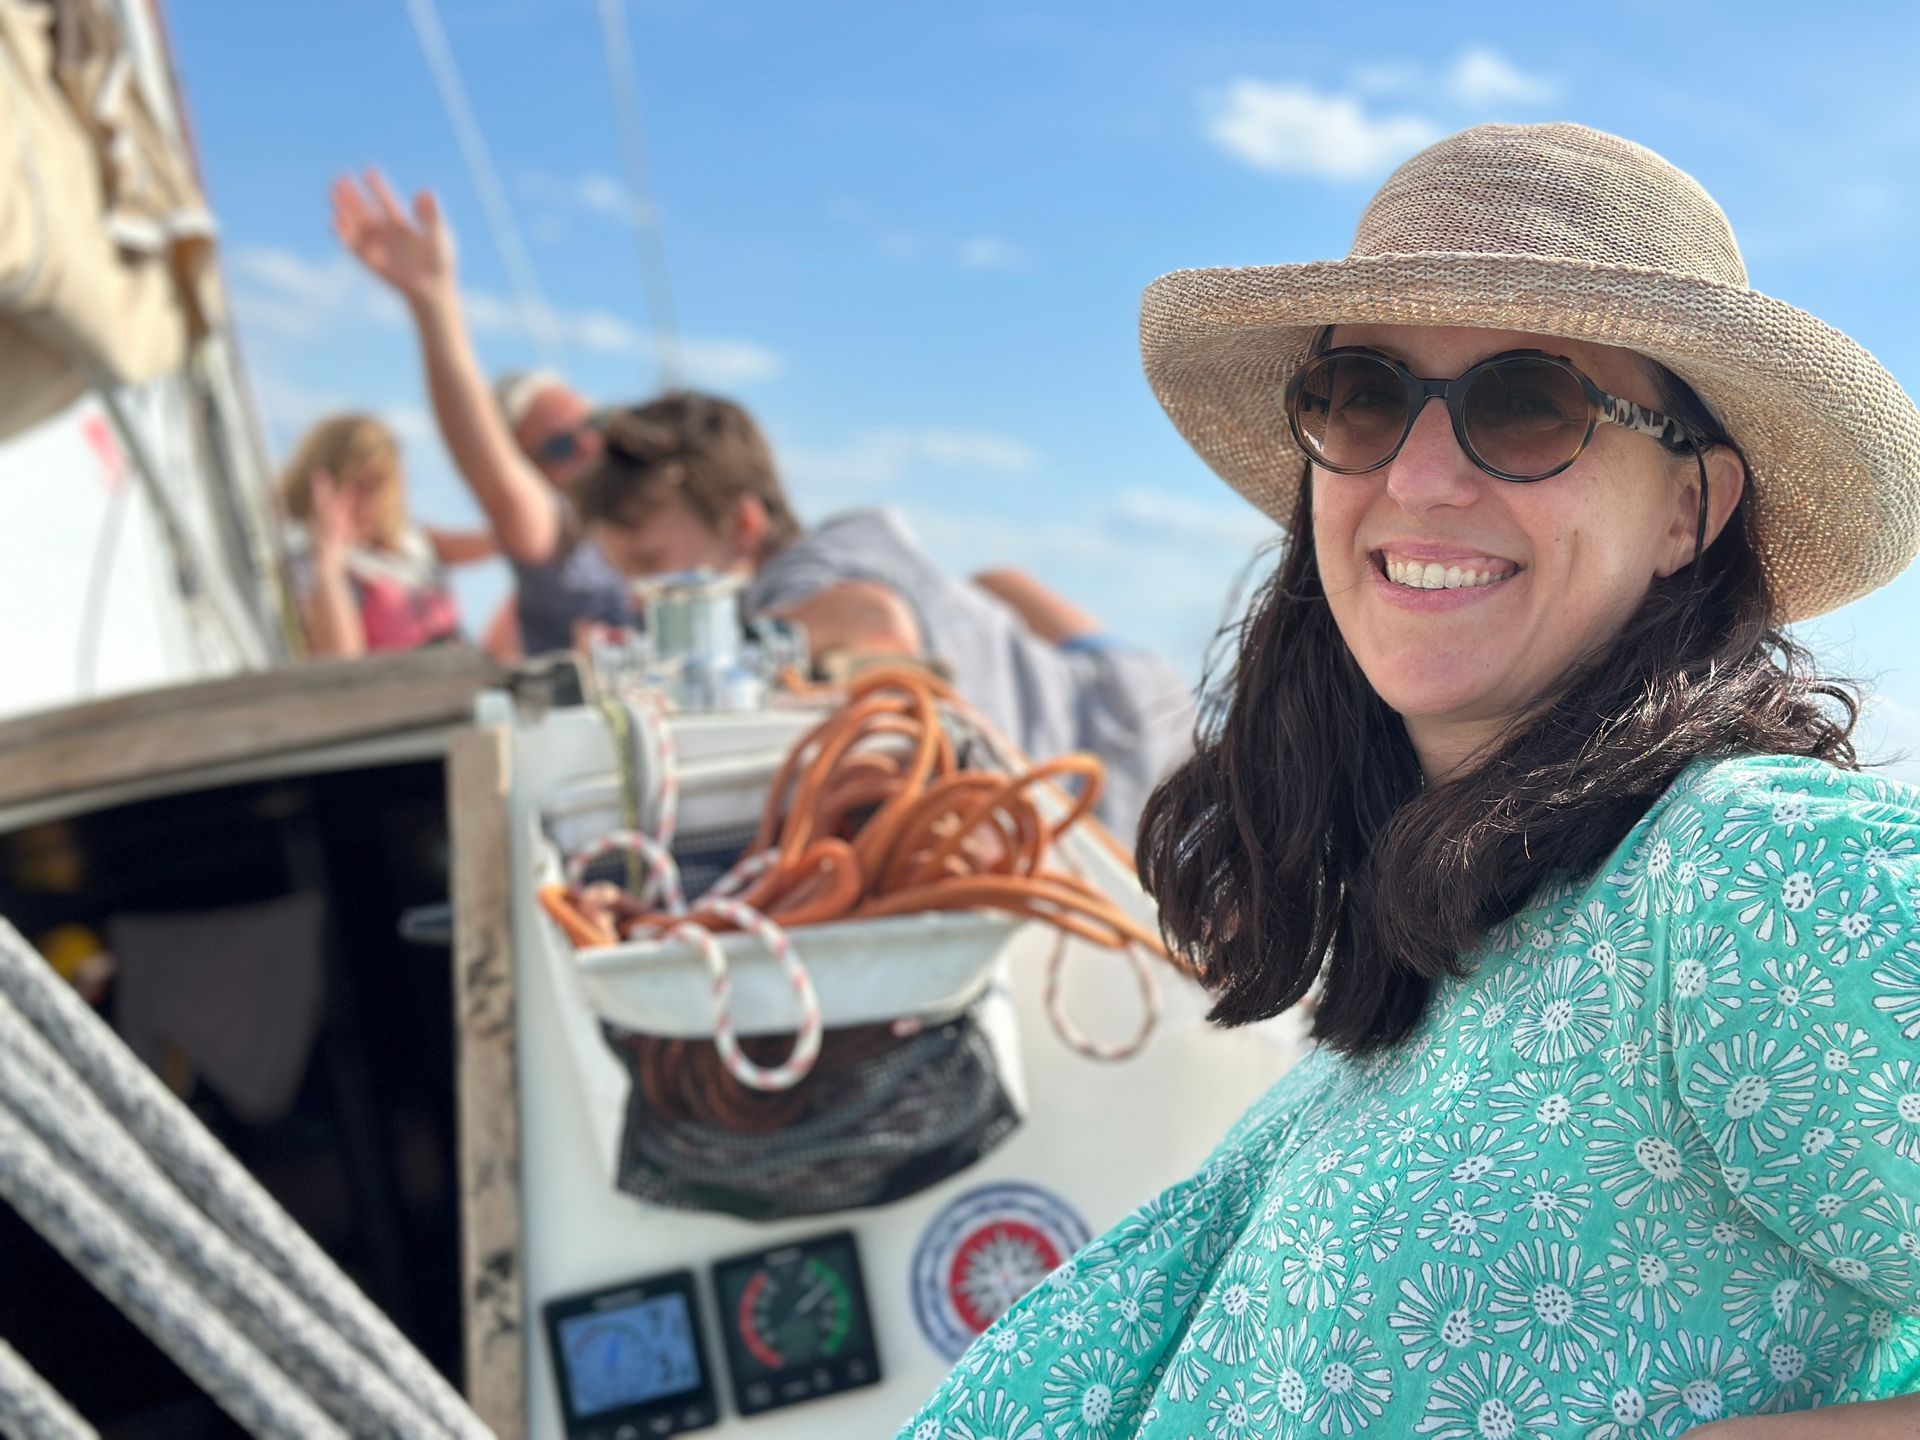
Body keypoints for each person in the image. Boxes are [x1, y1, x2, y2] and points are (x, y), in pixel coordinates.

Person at [901, 123, 1920, 1438]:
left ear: (1690, 510)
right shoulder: (1465, 922)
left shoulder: (1754, 875)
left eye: (1528, 403)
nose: (1420, 476)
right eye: (1365, 396)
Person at [572, 393, 1197, 839]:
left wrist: (674, 659)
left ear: (743, 525)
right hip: (1120, 684)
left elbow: (875, 624)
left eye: (648, 562)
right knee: (994, 582)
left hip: (1125, 769)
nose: (635, 594)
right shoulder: (848, 544)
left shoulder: (788, 588)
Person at [330, 174, 632, 655]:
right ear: (533, 473)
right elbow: (497, 479)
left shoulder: (669, 511)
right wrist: (433, 301)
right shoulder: (557, 544)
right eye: (558, 447)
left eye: (593, 424)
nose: (588, 446)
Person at [279, 414, 492, 658]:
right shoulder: (306, 558)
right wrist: (328, 566)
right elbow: (339, 662)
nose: (364, 504)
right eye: (354, 485)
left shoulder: (408, 543)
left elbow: (487, 542)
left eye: (377, 488)